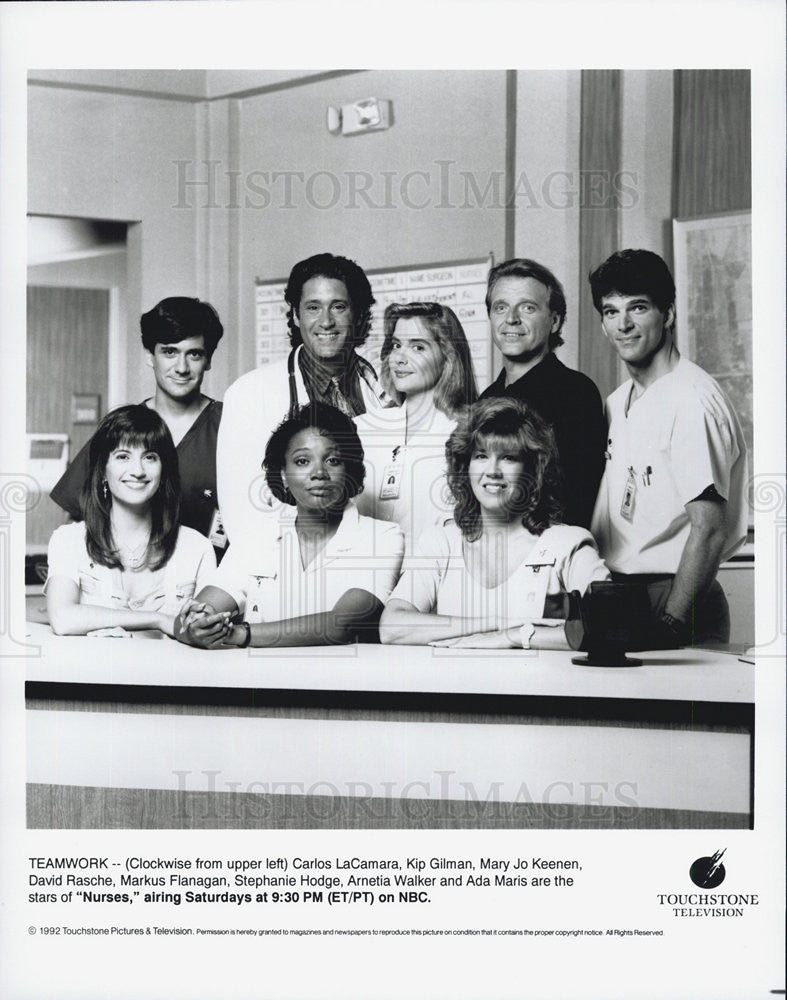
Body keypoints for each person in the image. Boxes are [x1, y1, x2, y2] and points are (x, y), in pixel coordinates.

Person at [588, 249, 749, 646]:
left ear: (669, 314)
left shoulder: (691, 400)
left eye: (637, 308)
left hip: (676, 596)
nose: (623, 324)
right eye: (611, 312)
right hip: (621, 592)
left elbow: (709, 529)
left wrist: (673, 620)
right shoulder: (617, 401)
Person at [380, 397, 610, 648]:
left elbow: (612, 624)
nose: (492, 470)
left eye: (509, 458)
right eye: (481, 456)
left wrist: (513, 636)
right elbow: (392, 627)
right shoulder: (441, 541)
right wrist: (495, 622)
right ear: (465, 466)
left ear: (533, 470)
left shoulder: (567, 544)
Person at [177, 403, 404, 649]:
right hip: (259, 683)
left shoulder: (382, 537)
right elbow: (188, 621)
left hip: (342, 683)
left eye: (333, 460)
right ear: (283, 474)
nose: (319, 472)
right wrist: (196, 628)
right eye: (303, 461)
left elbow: (342, 625)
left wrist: (242, 634)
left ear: (349, 470)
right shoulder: (257, 538)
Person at [216, 252, 392, 544]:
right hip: (289, 572)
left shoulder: (387, 393)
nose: (326, 321)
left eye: (339, 307)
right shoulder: (248, 394)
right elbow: (242, 515)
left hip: (378, 563)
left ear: (358, 315)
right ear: (296, 315)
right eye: (313, 307)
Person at [50, 297, 226, 556]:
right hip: (128, 581)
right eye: (169, 352)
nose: (181, 367)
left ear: (208, 360)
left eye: (194, 354)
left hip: (211, 582)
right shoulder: (122, 429)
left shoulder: (230, 424)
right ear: (150, 356)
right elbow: (77, 517)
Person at [45, 405, 216, 636]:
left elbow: (203, 630)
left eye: (150, 457)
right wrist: (160, 621)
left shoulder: (197, 547)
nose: (138, 470)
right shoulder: (69, 540)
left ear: (163, 469)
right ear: (103, 470)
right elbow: (62, 618)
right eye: (123, 456)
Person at [479, 258, 606, 528]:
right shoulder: (485, 400)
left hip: (550, 557)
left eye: (527, 307)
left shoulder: (577, 394)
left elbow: (579, 501)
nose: (511, 319)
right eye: (501, 307)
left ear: (555, 321)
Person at [354, 301, 478, 551]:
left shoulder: (472, 432)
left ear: (448, 356)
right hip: (367, 579)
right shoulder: (361, 429)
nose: (399, 357)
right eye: (396, 345)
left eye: (418, 347)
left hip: (441, 577)